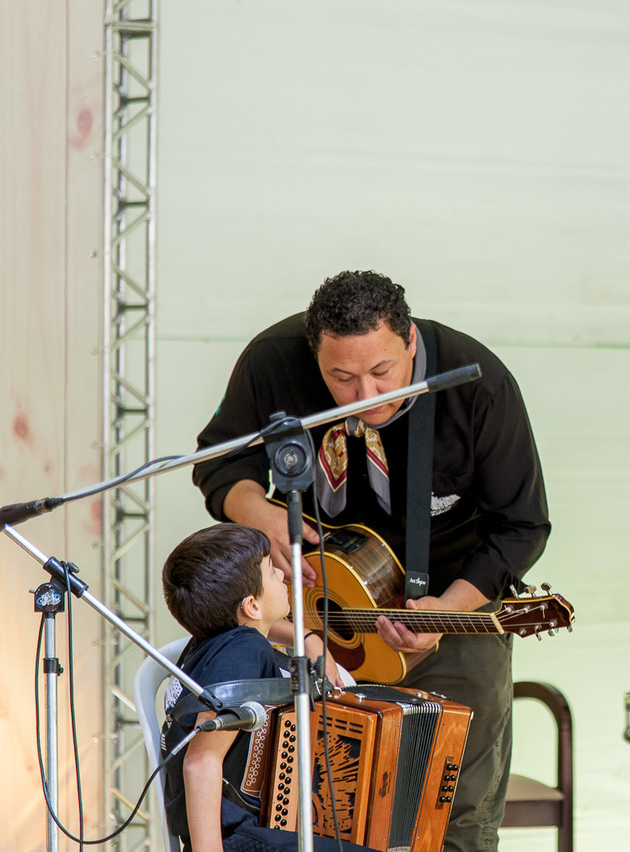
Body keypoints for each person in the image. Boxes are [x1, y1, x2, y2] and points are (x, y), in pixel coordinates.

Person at [191, 270, 551, 851]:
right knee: (319, 807)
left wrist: (447, 611)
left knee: (453, 815)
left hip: (452, 608)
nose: (366, 394)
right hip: (315, 616)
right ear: (314, 353)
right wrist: (260, 515)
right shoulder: (272, 360)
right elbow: (219, 461)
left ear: (409, 339)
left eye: (383, 371)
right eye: (341, 378)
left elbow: (522, 525)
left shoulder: (476, 383)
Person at [159, 522, 379, 852]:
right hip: (235, 841)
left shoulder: (218, 640)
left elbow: (255, 623)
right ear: (251, 605)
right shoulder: (243, 651)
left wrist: (306, 636)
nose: (283, 576)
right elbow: (200, 761)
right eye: (272, 570)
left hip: (246, 833)